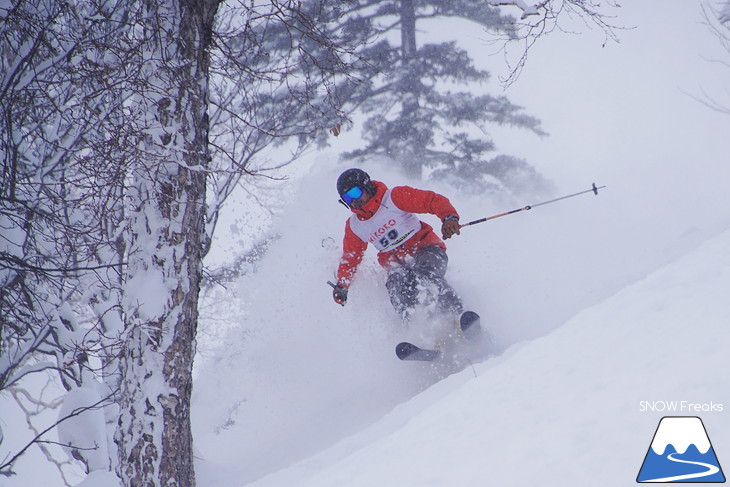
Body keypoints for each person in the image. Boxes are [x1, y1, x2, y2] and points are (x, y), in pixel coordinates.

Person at [331, 168, 467, 322]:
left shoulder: (393, 198)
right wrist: (342, 285)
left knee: (424, 275)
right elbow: (351, 257)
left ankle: (457, 314)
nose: (353, 201)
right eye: (347, 198)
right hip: (397, 266)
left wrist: (449, 217)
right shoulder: (355, 226)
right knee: (397, 287)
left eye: (355, 193)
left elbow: (431, 200)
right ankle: (420, 332)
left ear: (366, 185)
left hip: (426, 249)